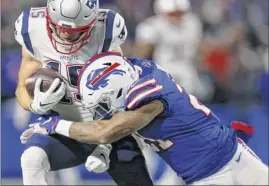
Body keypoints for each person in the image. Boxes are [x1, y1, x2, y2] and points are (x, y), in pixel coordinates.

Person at [27, 52, 268, 185]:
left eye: (103, 103)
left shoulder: (147, 96)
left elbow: (106, 130)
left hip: (223, 165)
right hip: (218, 161)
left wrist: (57, 124)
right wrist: (103, 150)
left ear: (121, 90)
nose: (103, 110)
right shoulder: (136, 70)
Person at [16, 0, 153, 186]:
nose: (63, 33)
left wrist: (105, 143)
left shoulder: (106, 30)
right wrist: (35, 105)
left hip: (105, 124)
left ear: (91, 23)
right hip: (61, 124)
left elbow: (123, 94)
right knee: (31, 159)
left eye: (72, 31)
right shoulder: (31, 28)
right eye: (57, 26)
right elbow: (21, 87)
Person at [133, 0, 205, 98]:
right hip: (162, 74)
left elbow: (198, 51)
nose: (177, 17)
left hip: (188, 74)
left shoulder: (193, 23)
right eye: (172, 14)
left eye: (181, 13)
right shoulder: (151, 26)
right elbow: (140, 57)